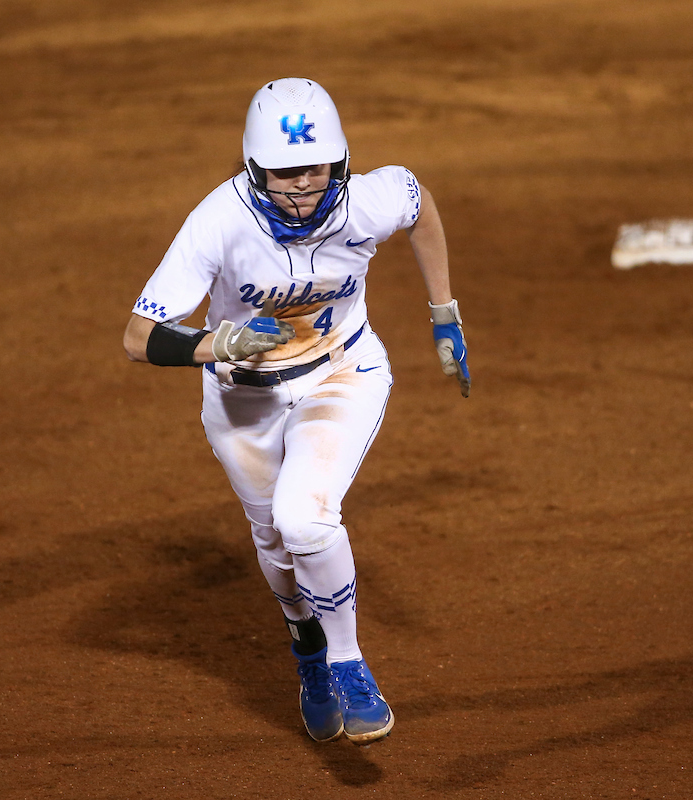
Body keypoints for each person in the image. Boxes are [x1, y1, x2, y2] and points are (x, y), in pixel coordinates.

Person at [123, 78, 470, 745]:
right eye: (284, 172)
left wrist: (444, 312)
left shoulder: (365, 199)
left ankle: (346, 662)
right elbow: (138, 337)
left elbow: (418, 204)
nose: (303, 185)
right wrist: (213, 342)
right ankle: (307, 652)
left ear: (339, 161)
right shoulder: (219, 223)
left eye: (315, 167)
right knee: (274, 542)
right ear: (255, 168)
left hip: (343, 374)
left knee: (302, 517)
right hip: (244, 402)